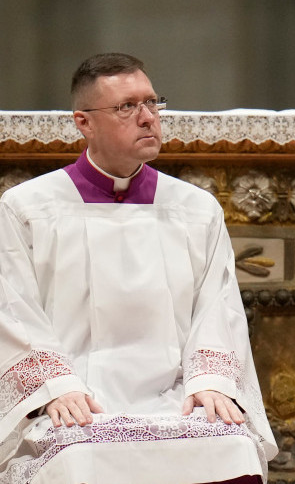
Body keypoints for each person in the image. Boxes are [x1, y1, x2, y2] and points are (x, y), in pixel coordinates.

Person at [0, 53, 277, 484]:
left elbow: (217, 306)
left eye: (152, 103)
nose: (147, 118)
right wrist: (55, 387)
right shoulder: (28, 208)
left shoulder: (194, 208)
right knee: (77, 457)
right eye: (126, 107)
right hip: (78, 400)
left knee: (232, 447)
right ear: (83, 122)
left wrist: (209, 379)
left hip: (175, 398)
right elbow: (12, 308)